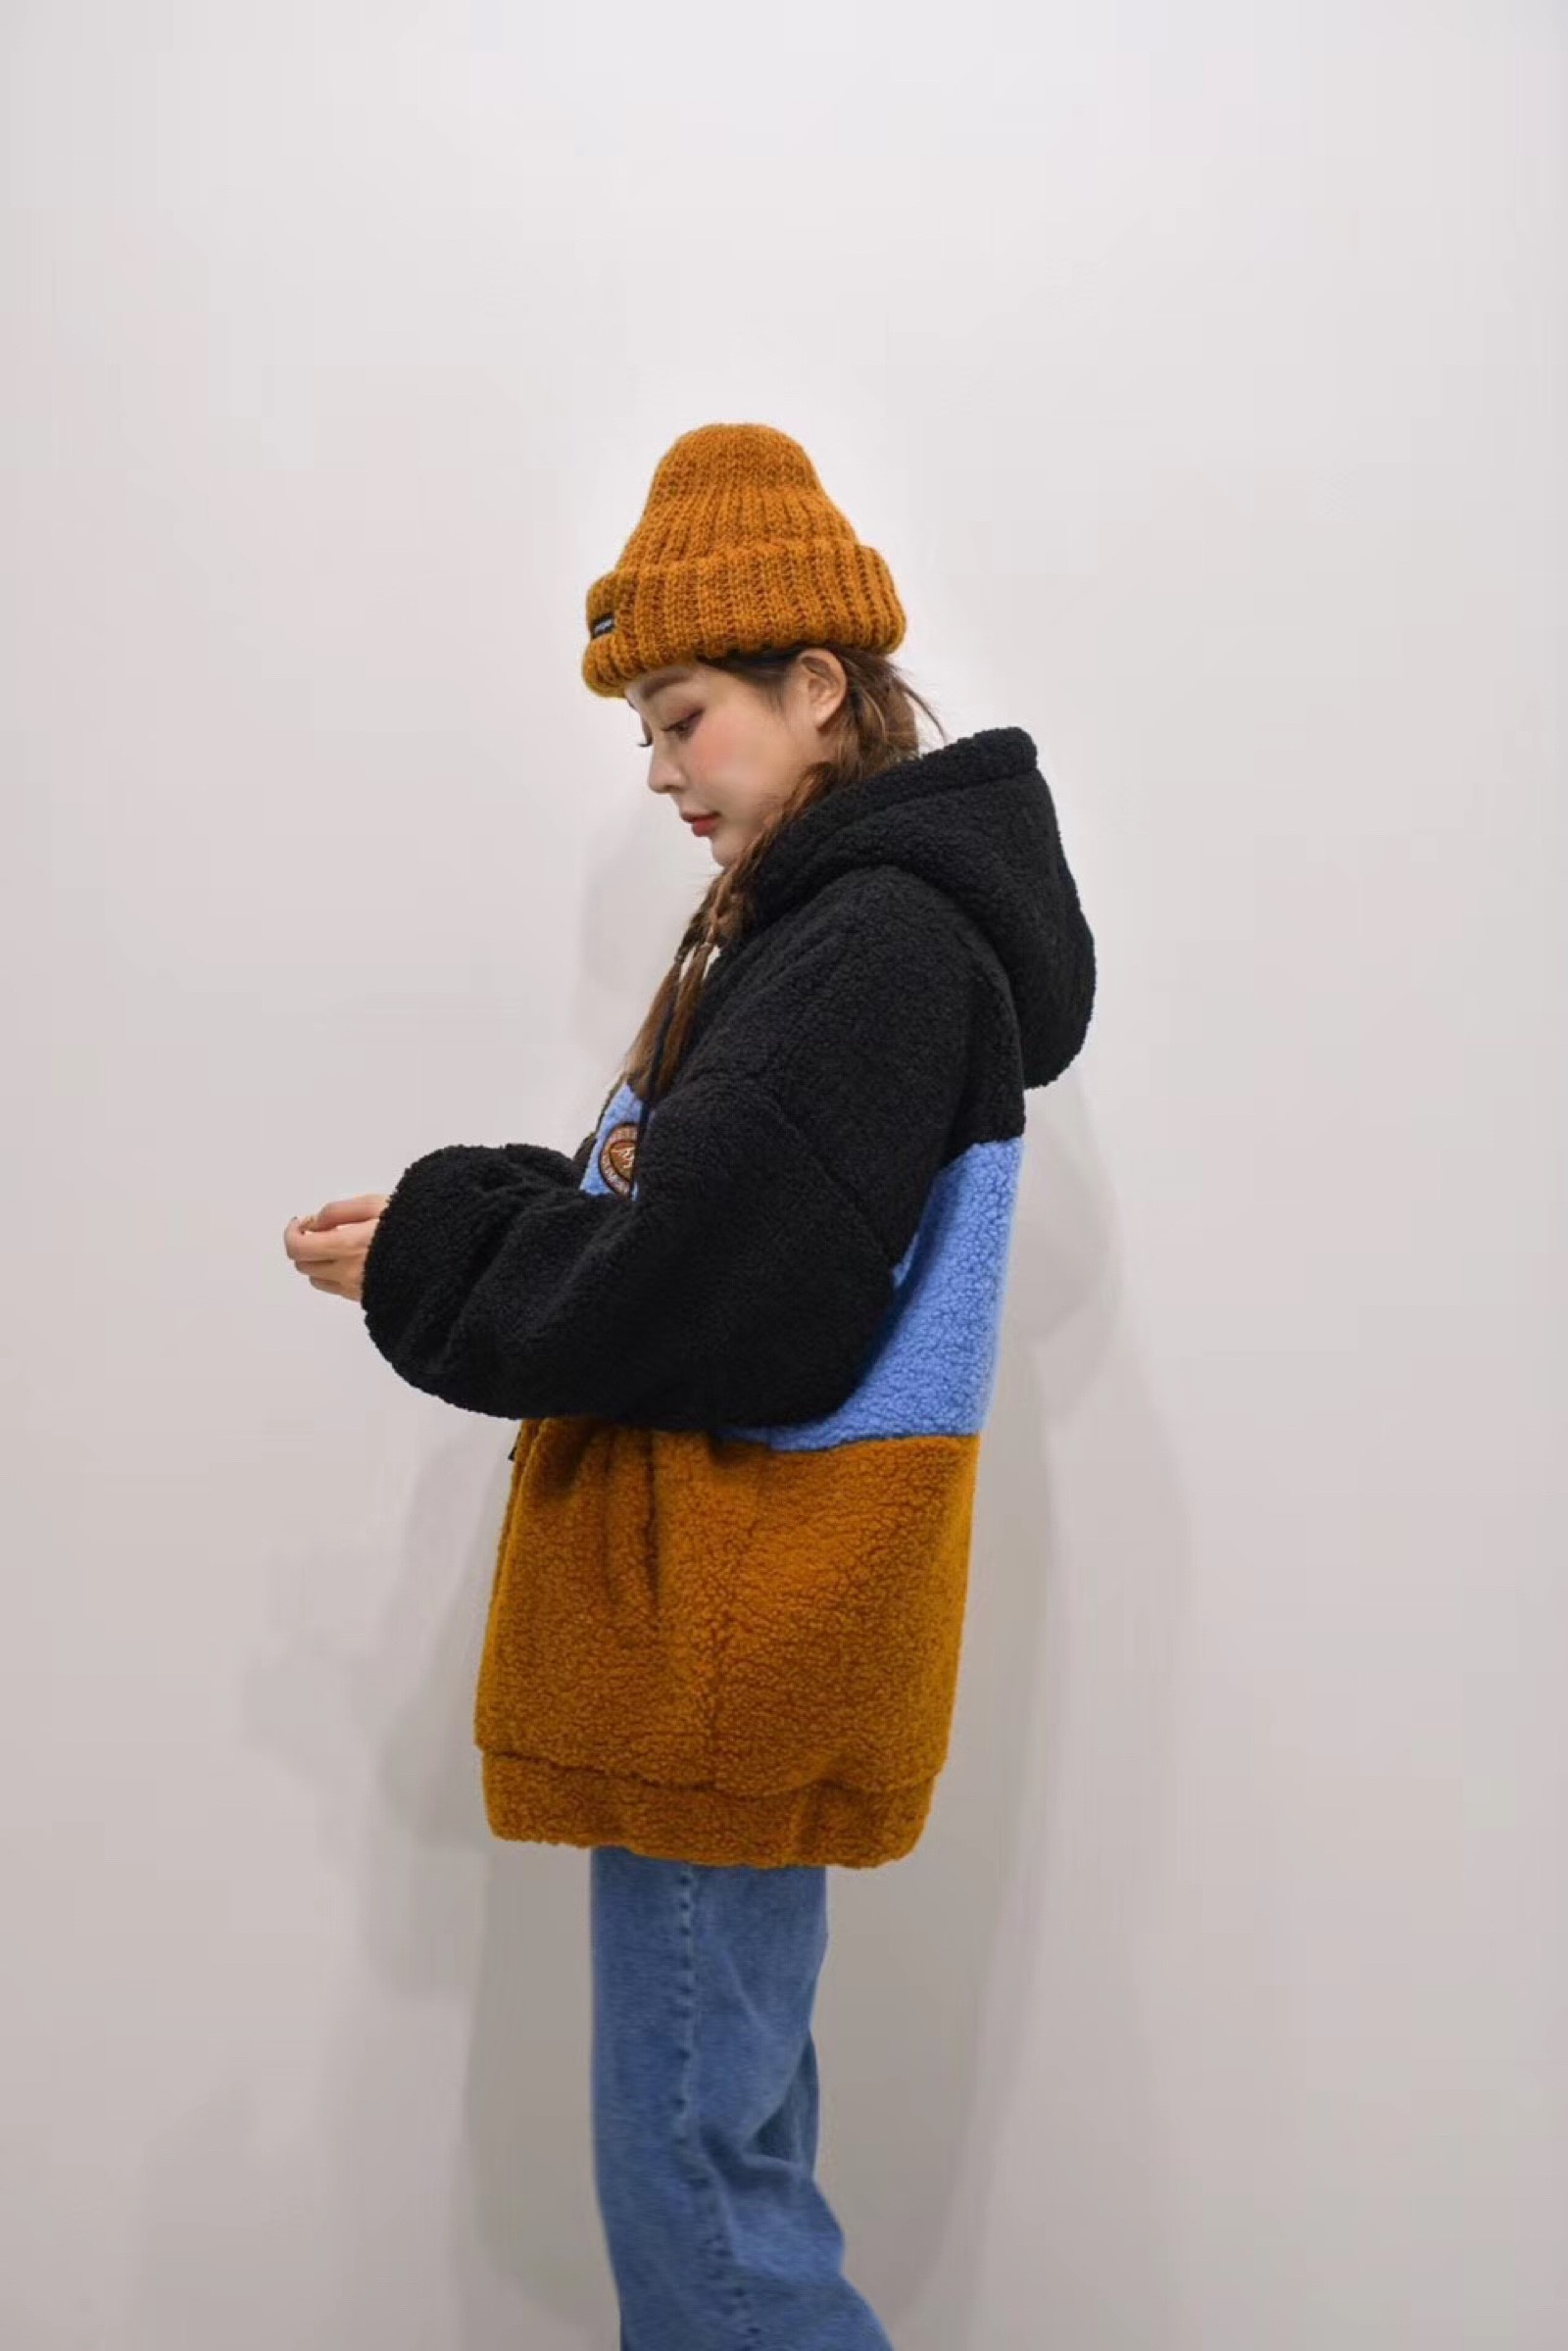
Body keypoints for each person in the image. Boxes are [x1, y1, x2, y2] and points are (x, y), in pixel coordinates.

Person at [283, 419, 1096, 2350]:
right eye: (645, 734)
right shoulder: (850, 928)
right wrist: (457, 1216)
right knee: (734, 2153)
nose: (657, 771)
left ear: (817, 685)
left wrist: (437, 1254)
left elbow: (717, 1297)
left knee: (700, 2195)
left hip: (722, 1639)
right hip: (757, 1632)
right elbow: (698, 1217)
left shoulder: (871, 944)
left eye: (681, 718)